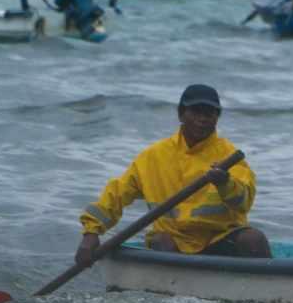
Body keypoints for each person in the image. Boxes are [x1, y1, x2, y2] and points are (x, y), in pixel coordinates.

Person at [74, 84, 271, 266]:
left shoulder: (229, 156)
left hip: (219, 237)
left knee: (253, 240)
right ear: (180, 113)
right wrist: (91, 233)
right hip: (172, 238)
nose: (202, 119)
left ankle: (266, 291)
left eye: (209, 113)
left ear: (217, 117)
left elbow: (243, 202)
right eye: (196, 111)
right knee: (161, 241)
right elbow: (116, 194)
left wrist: (225, 183)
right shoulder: (153, 156)